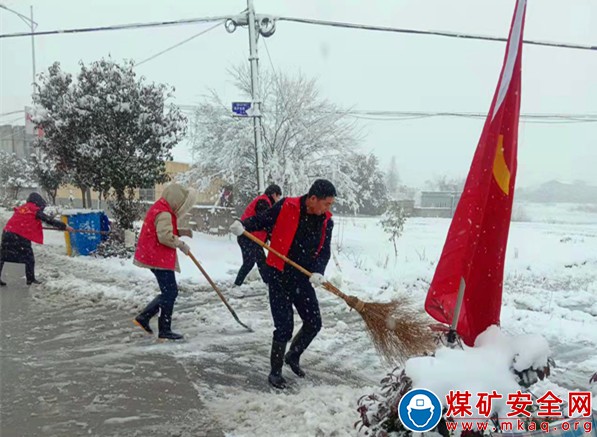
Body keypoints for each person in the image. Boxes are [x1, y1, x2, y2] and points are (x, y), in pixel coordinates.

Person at [230, 179, 336, 389]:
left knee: (314, 322)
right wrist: (243, 225)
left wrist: (318, 271)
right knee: (284, 327)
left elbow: (324, 251)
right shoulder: (287, 206)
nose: (328, 208)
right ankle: (275, 372)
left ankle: (293, 356)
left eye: (330, 205)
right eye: (326, 204)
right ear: (313, 199)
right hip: (278, 275)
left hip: (303, 279)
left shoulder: (326, 221)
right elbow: (262, 220)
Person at [133, 183, 196, 340]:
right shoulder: (165, 213)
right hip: (157, 256)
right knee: (170, 292)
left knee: (169, 291)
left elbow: (162, 230)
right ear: (176, 200)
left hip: (154, 254)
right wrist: (181, 245)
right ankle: (161, 328)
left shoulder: (161, 207)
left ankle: (146, 318)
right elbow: (164, 236)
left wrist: (181, 232)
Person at [0, 192, 73, 286]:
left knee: (3, 256)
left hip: (7, 233)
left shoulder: (23, 208)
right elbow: (48, 220)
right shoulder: (34, 209)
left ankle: (29, 279)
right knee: (29, 257)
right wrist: (64, 226)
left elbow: (23, 220)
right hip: (19, 235)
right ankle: (31, 279)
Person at [234, 184, 282, 287]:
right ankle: (237, 285)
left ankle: (268, 283)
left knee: (261, 262)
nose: (278, 200)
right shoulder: (263, 202)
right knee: (250, 262)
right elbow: (263, 221)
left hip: (252, 238)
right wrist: (271, 231)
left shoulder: (265, 202)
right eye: (278, 196)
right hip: (247, 236)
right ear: (273, 195)